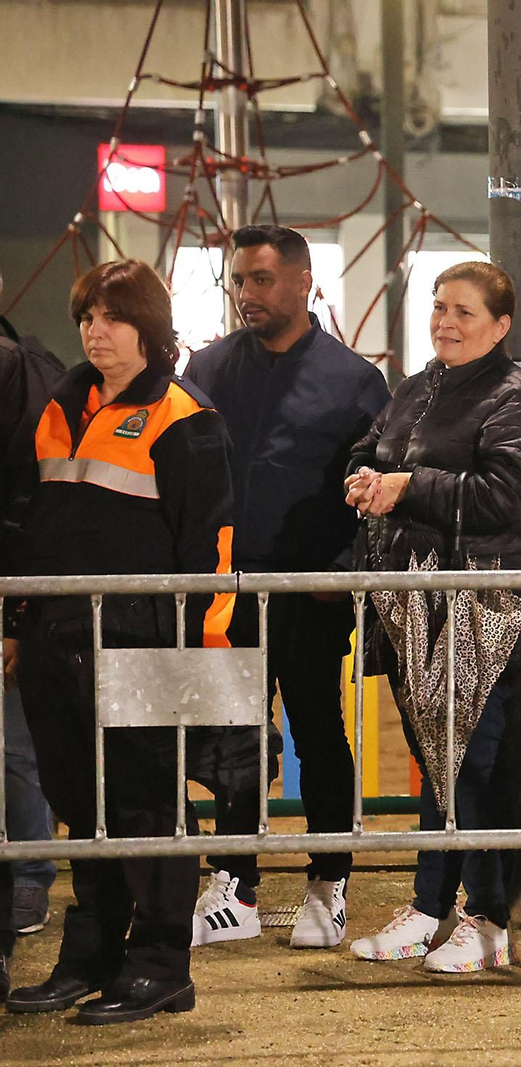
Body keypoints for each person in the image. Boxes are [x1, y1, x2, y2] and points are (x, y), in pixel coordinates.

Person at [5, 260, 234, 1023]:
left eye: (112, 318)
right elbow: (32, 523)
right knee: (82, 805)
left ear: (149, 326)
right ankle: (90, 957)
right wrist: (17, 626)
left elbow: (212, 546)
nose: (94, 332)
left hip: (145, 641)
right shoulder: (61, 403)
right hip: (54, 639)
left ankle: (161, 964)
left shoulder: (183, 414)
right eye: (86, 318)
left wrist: (198, 655)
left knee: (147, 807)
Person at [343, 261, 521, 974]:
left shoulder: (518, 400)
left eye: (464, 311)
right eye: (440, 307)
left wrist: (407, 486)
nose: (446, 321)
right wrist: (363, 476)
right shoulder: (415, 388)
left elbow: (507, 496)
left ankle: (478, 916)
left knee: (471, 763)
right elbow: (373, 447)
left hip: (482, 608)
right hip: (412, 605)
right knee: (440, 762)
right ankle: (439, 908)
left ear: (500, 326)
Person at [184, 224, 390, 950]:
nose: (247, 293)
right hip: (225, 592)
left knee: (317, 731)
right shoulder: (206, 369)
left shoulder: (355, 382)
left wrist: (345, 572)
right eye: (239, 280)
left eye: (262, 279)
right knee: (232, 736)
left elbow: (375, 493)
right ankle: (234, 884)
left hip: (311, 593)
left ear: (304, 282)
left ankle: (329, 880)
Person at [0, 273, 63, 940]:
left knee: (16, 744)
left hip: (16, 590)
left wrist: (16, 614)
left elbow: (30, 505)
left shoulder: (21, 377)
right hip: (20, 588)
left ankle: (29, 874)